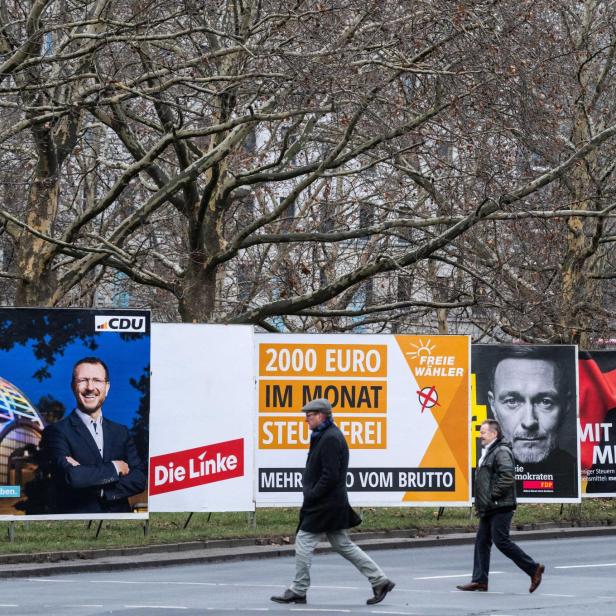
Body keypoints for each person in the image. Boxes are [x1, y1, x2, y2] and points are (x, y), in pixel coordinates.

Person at [270, 398, 395, 606]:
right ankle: (379, 580)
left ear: (321, 415)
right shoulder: (325, 435)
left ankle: (298, 589)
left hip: (324, 504)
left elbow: (331, 475)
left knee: (303, 542)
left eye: (309, 416)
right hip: (330, 503)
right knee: (342, 544)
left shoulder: (329, 438)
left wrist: (313, 494)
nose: (306, 420)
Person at [40, 356, 146, 514]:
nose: (90, 387)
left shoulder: (121, 432)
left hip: (121, 527)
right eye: (83, 380)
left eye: (97, 380)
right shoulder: (56, 432)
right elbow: (73, 477)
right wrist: (115, 467)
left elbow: (139, 479)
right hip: (78, 529)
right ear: (73, 386)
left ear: (107, 387)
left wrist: (103, 492)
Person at [457, 419, 544, 593]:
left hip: (500, 506)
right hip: (490, 507)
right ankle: (480, 580)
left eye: (483, 432)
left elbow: (507, 477)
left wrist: (491, 496)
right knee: (482, 542)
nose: (480, 435)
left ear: (494, 434)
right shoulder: (489, 452)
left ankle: (533, 568)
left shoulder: (501, 451)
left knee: (501, 541)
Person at [487, 346, 577, 497]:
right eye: (512, 401)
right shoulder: (476, 475)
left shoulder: (577, 476)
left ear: (566, 405)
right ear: (493, 405)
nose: (529, 422)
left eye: (545, 401)